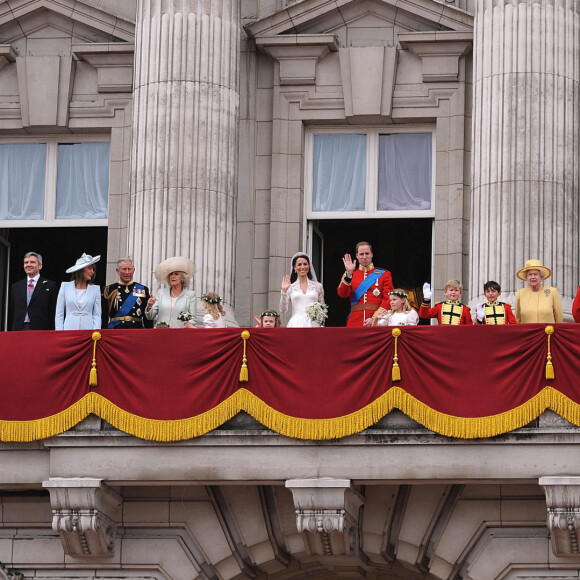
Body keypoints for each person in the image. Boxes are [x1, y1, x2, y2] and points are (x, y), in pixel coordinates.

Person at [337, 241, 394, 327]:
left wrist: (374, 318)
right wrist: (349, 274)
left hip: (377, 321)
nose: (364, 257)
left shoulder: (385, 274)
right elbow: (342, 294)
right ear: (357, 256)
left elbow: (388, 299)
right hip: (355, 321)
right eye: (361, 254)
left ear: (372, 254)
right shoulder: (351, 274)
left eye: (367, 253)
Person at [10, 252, 59, 331]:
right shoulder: (16, 287)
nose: (29, 265)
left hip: (41, 330)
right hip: (19, 329)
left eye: (32, 262)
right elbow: (14, 310)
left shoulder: (50, 285)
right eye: (26, 262)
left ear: (40, 266)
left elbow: (53, 311)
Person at [146, 256, 197, 328]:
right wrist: (149, 306)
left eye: (176, 274)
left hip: (180, 333)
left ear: (182, 278)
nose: (173, 276)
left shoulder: (190, 295)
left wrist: (186, 326)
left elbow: (193, 319)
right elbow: (150, 317)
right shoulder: (161, 293)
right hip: (161, 332)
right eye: (171, 274)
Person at [55, 253, 102, 330]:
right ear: (81, 270)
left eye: (93, 269)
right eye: (89, 268)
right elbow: (59, 313)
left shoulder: (95, 289)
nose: (92, 272)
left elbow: (97, 315)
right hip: (69, 330)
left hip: (88, 331)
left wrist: (96, 331)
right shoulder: (65, 286)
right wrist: (59, 332)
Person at [103, 258, 151, 329]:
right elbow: (104, 315)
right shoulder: (109, 290)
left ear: (133, 271)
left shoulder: (142, 289)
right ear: (118, 271)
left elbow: (146, 316)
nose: (127, 272)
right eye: (124, 269)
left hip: (136, 330)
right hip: (116, 330)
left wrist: (149, 332)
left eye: (129, 269)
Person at [280, 253, 325, 327]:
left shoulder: (318, 286)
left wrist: (319, 321)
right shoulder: (290, 287)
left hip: (313, 323)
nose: (302, 267)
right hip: (296, 323)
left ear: (309, 266)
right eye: (299, 264)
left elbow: (322, 308)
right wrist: (284, 291)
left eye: (305, 264)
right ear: (294, 267)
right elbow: (283, 310)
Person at [515, 259, 563, 323]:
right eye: (530, 274)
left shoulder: (552, 292)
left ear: (541, 276)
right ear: (526, 277)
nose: (533, 277)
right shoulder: (521, 293)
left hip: (548, 332)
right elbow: (518, 318)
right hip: (528, 332)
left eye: (535, 274)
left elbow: (558, 317)